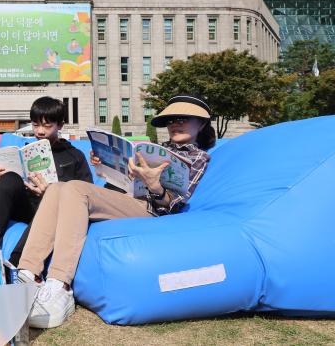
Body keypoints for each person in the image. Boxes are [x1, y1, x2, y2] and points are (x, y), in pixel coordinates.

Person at [17, 95, 216, 329]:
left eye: (183, 119)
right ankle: (28, 274)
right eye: (171, 119)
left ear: (201, 124)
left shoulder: (196, 158)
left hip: (151, 210)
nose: (175, 123)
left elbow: (174, 205)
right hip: (127, 198)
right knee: (57, 188)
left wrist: (154, 185)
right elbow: (123, 182)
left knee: (75, 189)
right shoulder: (156, 150)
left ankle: (60, 284)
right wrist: (103, 164)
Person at [0, 96, 93, 266]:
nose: (40, 131)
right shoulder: (25, 150)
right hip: (24, 205)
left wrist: (50, 192)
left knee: (52, 202)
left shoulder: (74, 156)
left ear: (60, 125)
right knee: (9, 178)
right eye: (35, 125)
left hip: (51, 211)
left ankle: (16, 262)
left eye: (47, 126)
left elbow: (86, 192)